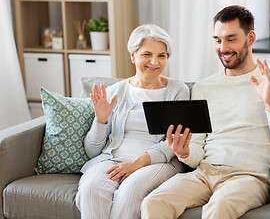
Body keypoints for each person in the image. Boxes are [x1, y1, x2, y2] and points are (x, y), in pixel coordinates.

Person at [141, 5, 270, 219]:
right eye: (217, 40)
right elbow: (197, 152)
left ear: (250, 38)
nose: (223, 47)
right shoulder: (203, 88)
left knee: (219, 207)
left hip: (250, 177)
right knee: (154, 202)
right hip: (205, 173)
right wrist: (184, 152)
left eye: (231, 39)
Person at [75, 24, 189, 219]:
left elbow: (174, 143)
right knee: (89, 190)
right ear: (133, 56)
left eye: (162, 55)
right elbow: (92, 151)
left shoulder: (178, 90)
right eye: (147, 54)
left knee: (129, 193)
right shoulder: (114, 92)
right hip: (111, 159)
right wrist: (100, 120)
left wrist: (136, 163)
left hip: (157, 162)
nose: (154, 61)